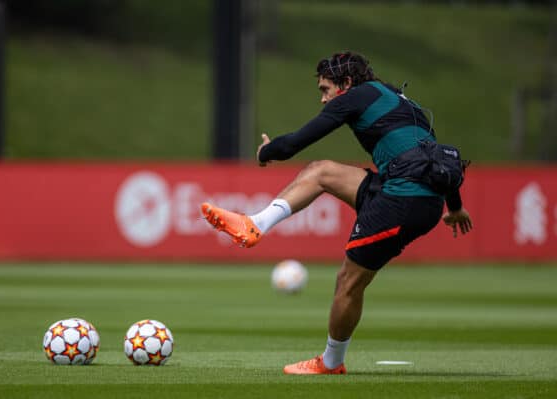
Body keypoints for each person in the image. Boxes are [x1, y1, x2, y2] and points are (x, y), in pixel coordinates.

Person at [201, 51, 473, 375]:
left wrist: (266, 151)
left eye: (325, 89)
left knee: (348, 281)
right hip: (407, 190)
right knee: (321, 172)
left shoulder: (353, 97)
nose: (323, 99)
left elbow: (292, 145)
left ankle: (330, 363)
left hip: (403, 200)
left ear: (345, 84)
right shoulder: (400, 100)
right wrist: (454, 207)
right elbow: (437, 161)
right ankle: (255, 224)